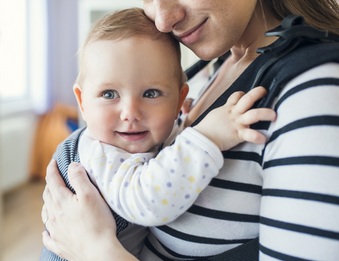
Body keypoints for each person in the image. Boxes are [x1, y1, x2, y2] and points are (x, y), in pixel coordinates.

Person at [42, 0, 339, 260]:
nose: (163, 18)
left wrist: (96, 252)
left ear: (179, 95)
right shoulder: (218, 67)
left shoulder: (313, 92)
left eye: (151, 94)